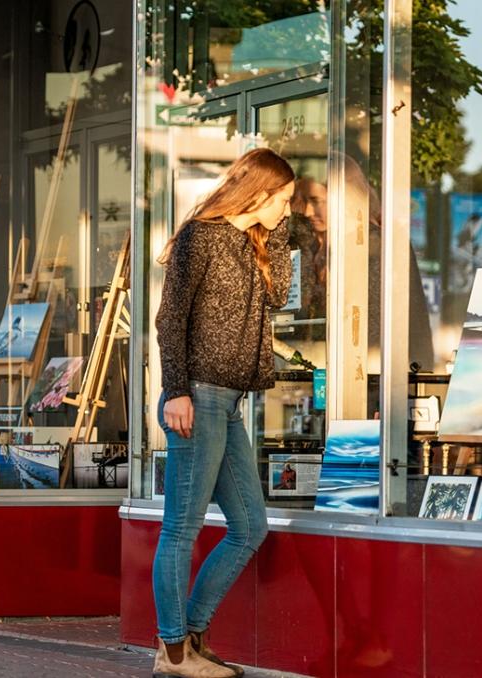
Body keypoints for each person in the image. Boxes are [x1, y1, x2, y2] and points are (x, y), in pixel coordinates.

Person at [151, 148, 294, 678]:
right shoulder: (201, 237)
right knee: (181, 529)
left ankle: (189, 635)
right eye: (282, 199)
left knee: (249, 527)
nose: (287, 209)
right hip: (198, 396)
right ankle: (172, 653)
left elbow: (280, 295)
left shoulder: (252, 241)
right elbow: (171, 320)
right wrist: (176, 391)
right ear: (258, 192)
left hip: (229, 402)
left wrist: (276, 233)